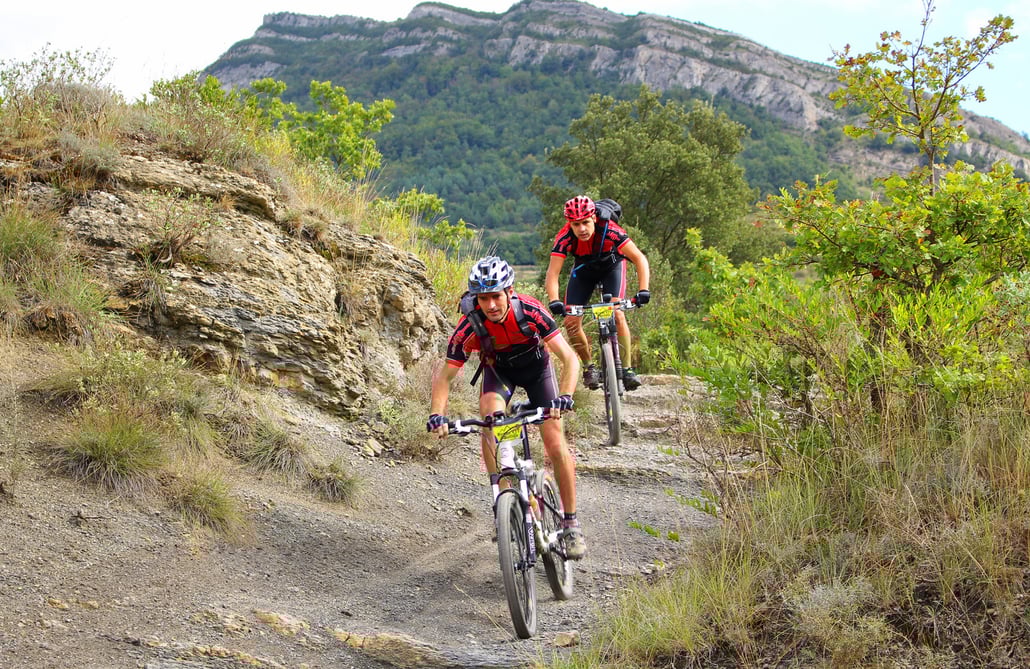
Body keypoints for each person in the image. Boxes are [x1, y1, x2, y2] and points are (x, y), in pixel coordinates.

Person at [427, 256, 587, 560]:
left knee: (555, 444)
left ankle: (570, 523)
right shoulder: (469, 325)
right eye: (483, 298)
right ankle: (501, 498)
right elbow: (445, 376)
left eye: (496, 296)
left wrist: (564, 396)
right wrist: (437, 415)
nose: (490, 305)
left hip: (538, 371)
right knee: (490, 423)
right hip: (499, 373)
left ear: (509, 292)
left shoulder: (530, 311)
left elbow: (569, 358)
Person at [545, 195, 651, 391]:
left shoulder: (610, 230)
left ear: (594, 218)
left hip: (612, 268)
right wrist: (554, 300)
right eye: (576, 225)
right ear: (570, 224)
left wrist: (643, 289)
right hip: (584, 272)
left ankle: (627, 369)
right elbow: (553, 273)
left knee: (617, 313)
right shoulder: (564, 237)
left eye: (585, 222)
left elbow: (639, 258)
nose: (582, 229)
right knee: (570, 321)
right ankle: (589, 367)